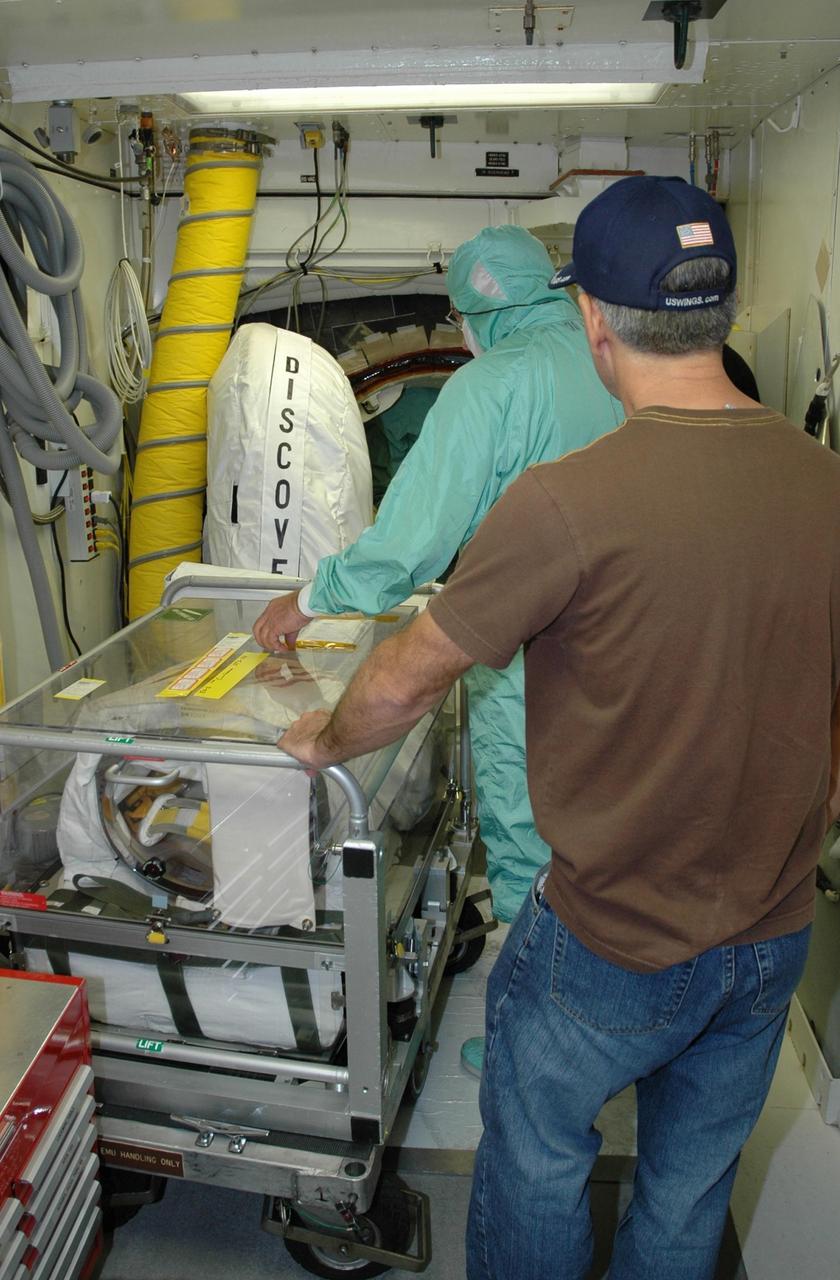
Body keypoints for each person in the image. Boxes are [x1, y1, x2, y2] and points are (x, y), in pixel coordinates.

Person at [278, 176, 840, 1280]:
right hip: (771, 931)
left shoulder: (562, 496)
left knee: (537, 1156)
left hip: (613, 932)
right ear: (720, 312)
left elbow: (406, 674)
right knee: (685, 1191)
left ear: (592, 318)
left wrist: (320, 741)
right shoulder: (824, 482)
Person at [253, 223, 624, 1070]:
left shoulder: (491, 386)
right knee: (602, 852)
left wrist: (309, 600)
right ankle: (610, 1029)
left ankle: (540, 1051)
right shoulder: (616, 364)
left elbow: (406, 547)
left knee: (536, 860)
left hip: (536, 664)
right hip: (631, 662)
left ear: (473, 311)